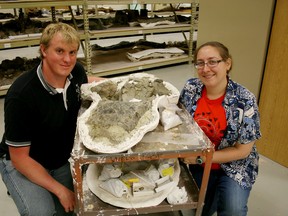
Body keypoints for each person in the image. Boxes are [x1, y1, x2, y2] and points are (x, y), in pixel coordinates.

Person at [0, 22, 102, 215]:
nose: (67, 59)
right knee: (43, 213)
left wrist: (128, 81)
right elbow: (20, 159)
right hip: (25, 162)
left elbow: (86, 81)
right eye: (60, 51)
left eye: (72, 52)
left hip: (58, 158)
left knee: (81, 205)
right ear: (44, 50)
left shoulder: (75, 72)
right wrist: (60, 190)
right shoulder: (21, 95)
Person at [179, 41, 261, 216]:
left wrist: (200, 159)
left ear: (228, 63)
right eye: (200, 63)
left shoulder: (245, 100)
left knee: (233, 209)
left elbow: (242, 151)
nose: (206, 68)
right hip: (197, 163)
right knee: (198, 208)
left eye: (212, 61)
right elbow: (178, 121)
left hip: (233, 165)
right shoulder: (191, 88)